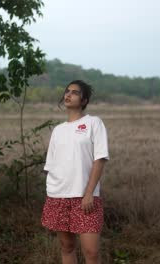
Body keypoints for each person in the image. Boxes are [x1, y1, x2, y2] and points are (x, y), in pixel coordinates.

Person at [41, 80, 110, 264]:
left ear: (84, 100)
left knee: (91, 252)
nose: (68, 94)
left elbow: (100, 158)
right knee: (67, 247)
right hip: (58, 196)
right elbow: (50, 166)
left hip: (85, 197)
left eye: (75, 92)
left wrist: (88, 193)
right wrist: (53, 195)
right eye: (67, 91)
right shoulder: (58, 130)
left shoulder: (93, 123)